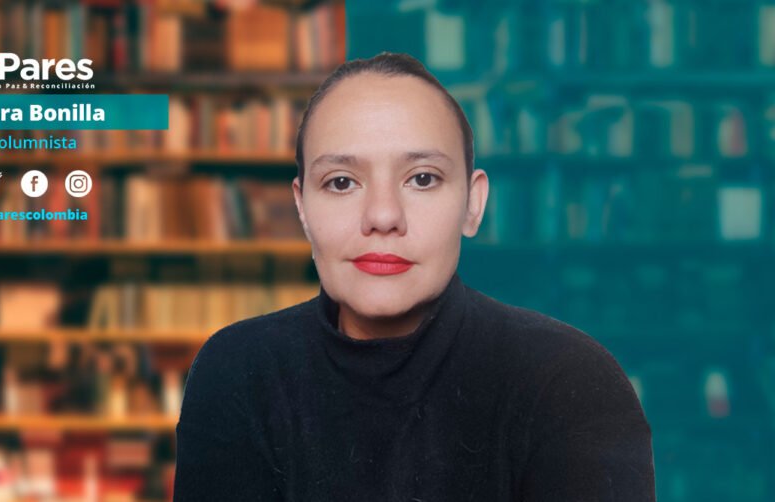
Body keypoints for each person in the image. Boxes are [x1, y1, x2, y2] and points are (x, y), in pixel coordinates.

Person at [173, 52, 655, 501]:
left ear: (473, 204)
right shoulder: (237, 372)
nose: (383, 216)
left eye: (422, 178)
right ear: (302, 208)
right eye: (341, 182)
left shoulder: (571, 382)